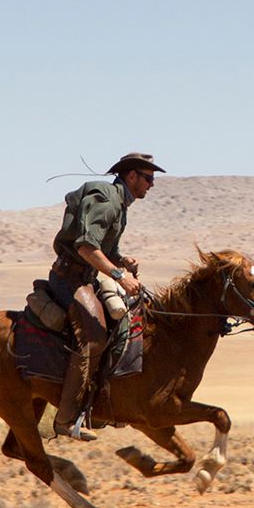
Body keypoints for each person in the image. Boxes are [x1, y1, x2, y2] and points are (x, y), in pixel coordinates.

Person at [46, 152, 163, 440]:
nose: (151, 184)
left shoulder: (120, 205)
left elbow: (103, 250)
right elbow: (86, 248)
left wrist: (122, 261)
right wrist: (120, 276)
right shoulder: (107, 199)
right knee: (94, 337)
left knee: (123, 325)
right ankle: (66, 418)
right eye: (148, 178)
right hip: (69, 279)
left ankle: (100, 404)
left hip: (85, 279)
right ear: (131, 176)